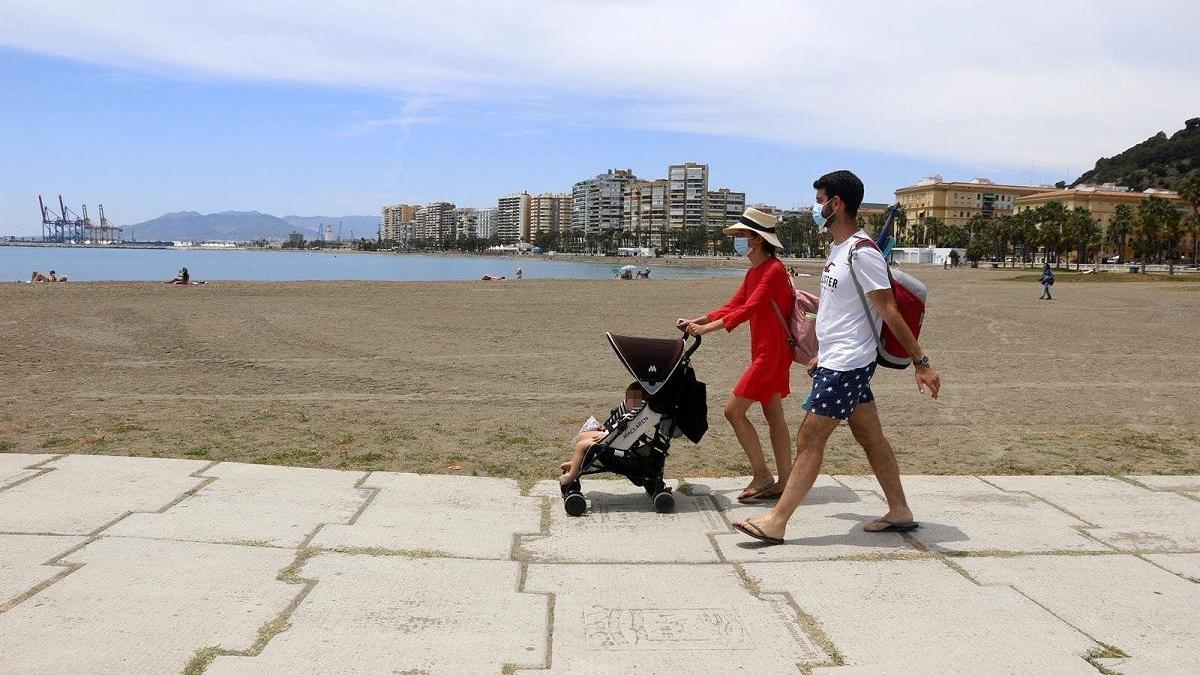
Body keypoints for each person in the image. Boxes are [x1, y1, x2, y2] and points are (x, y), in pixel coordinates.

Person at [732, 170, 941, 545]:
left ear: (837, 203)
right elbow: (840, 312)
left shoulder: (863, 253)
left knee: (810, 436)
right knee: (869, 434)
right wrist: (820, 354)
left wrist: (921, 362)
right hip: (836, 359)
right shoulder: (839, 249)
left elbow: (889, 310)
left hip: (849, 364)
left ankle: (777, 521)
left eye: (819, 200)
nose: (816, 207)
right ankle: (900, 510)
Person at [677, 207, 794, 503]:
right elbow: (734, 304)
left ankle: (763, 475)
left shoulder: (774, 271)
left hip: (771, 355)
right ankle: (786, 480)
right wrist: (699, 320)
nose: (738, 240)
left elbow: (749, 309)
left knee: (733, 411)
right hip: (767, 351)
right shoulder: (755, 271)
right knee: (773, 416)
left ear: (756, 239)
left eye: (742, 235)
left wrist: (707, 330)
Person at [559, 383, 645, 485]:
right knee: (581, 437)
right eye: (628, 397)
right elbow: (617, 423)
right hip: (611, 435)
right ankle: (576, 462)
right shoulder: (628, 413)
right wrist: (605, 428)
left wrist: (604, 436)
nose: (629, 402)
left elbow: (624, 430)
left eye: (634, 399)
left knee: (581, 446)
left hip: (614, 441)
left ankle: (572, 475)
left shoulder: (635, 415)